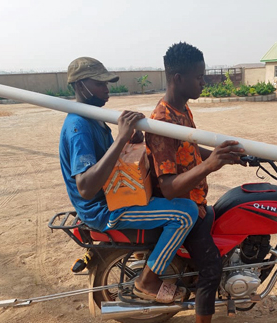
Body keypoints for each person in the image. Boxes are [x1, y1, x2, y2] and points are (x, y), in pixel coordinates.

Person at [59, 57, 198, 302]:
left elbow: (106, 160)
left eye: (108, 83)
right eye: (100, 83)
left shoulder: (93, 116)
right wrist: (122, 138)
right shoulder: (78, 126)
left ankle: (149, 258)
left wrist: (130, 139)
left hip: (115, 194)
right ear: (81, 85)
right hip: (104, 208)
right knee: (186, 212)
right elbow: (86, 187)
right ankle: (148, 281)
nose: (107, 88)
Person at [145, 43, 244, 323]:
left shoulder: (182, 110)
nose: (204, 82)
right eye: (199, 77)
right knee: (211, 267)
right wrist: (211, 164)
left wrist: (224, 155)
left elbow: (189, 148)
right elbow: (169, 187)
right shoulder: (161, 121)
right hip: (184, 206)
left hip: (198, 200)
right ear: (178, 78)